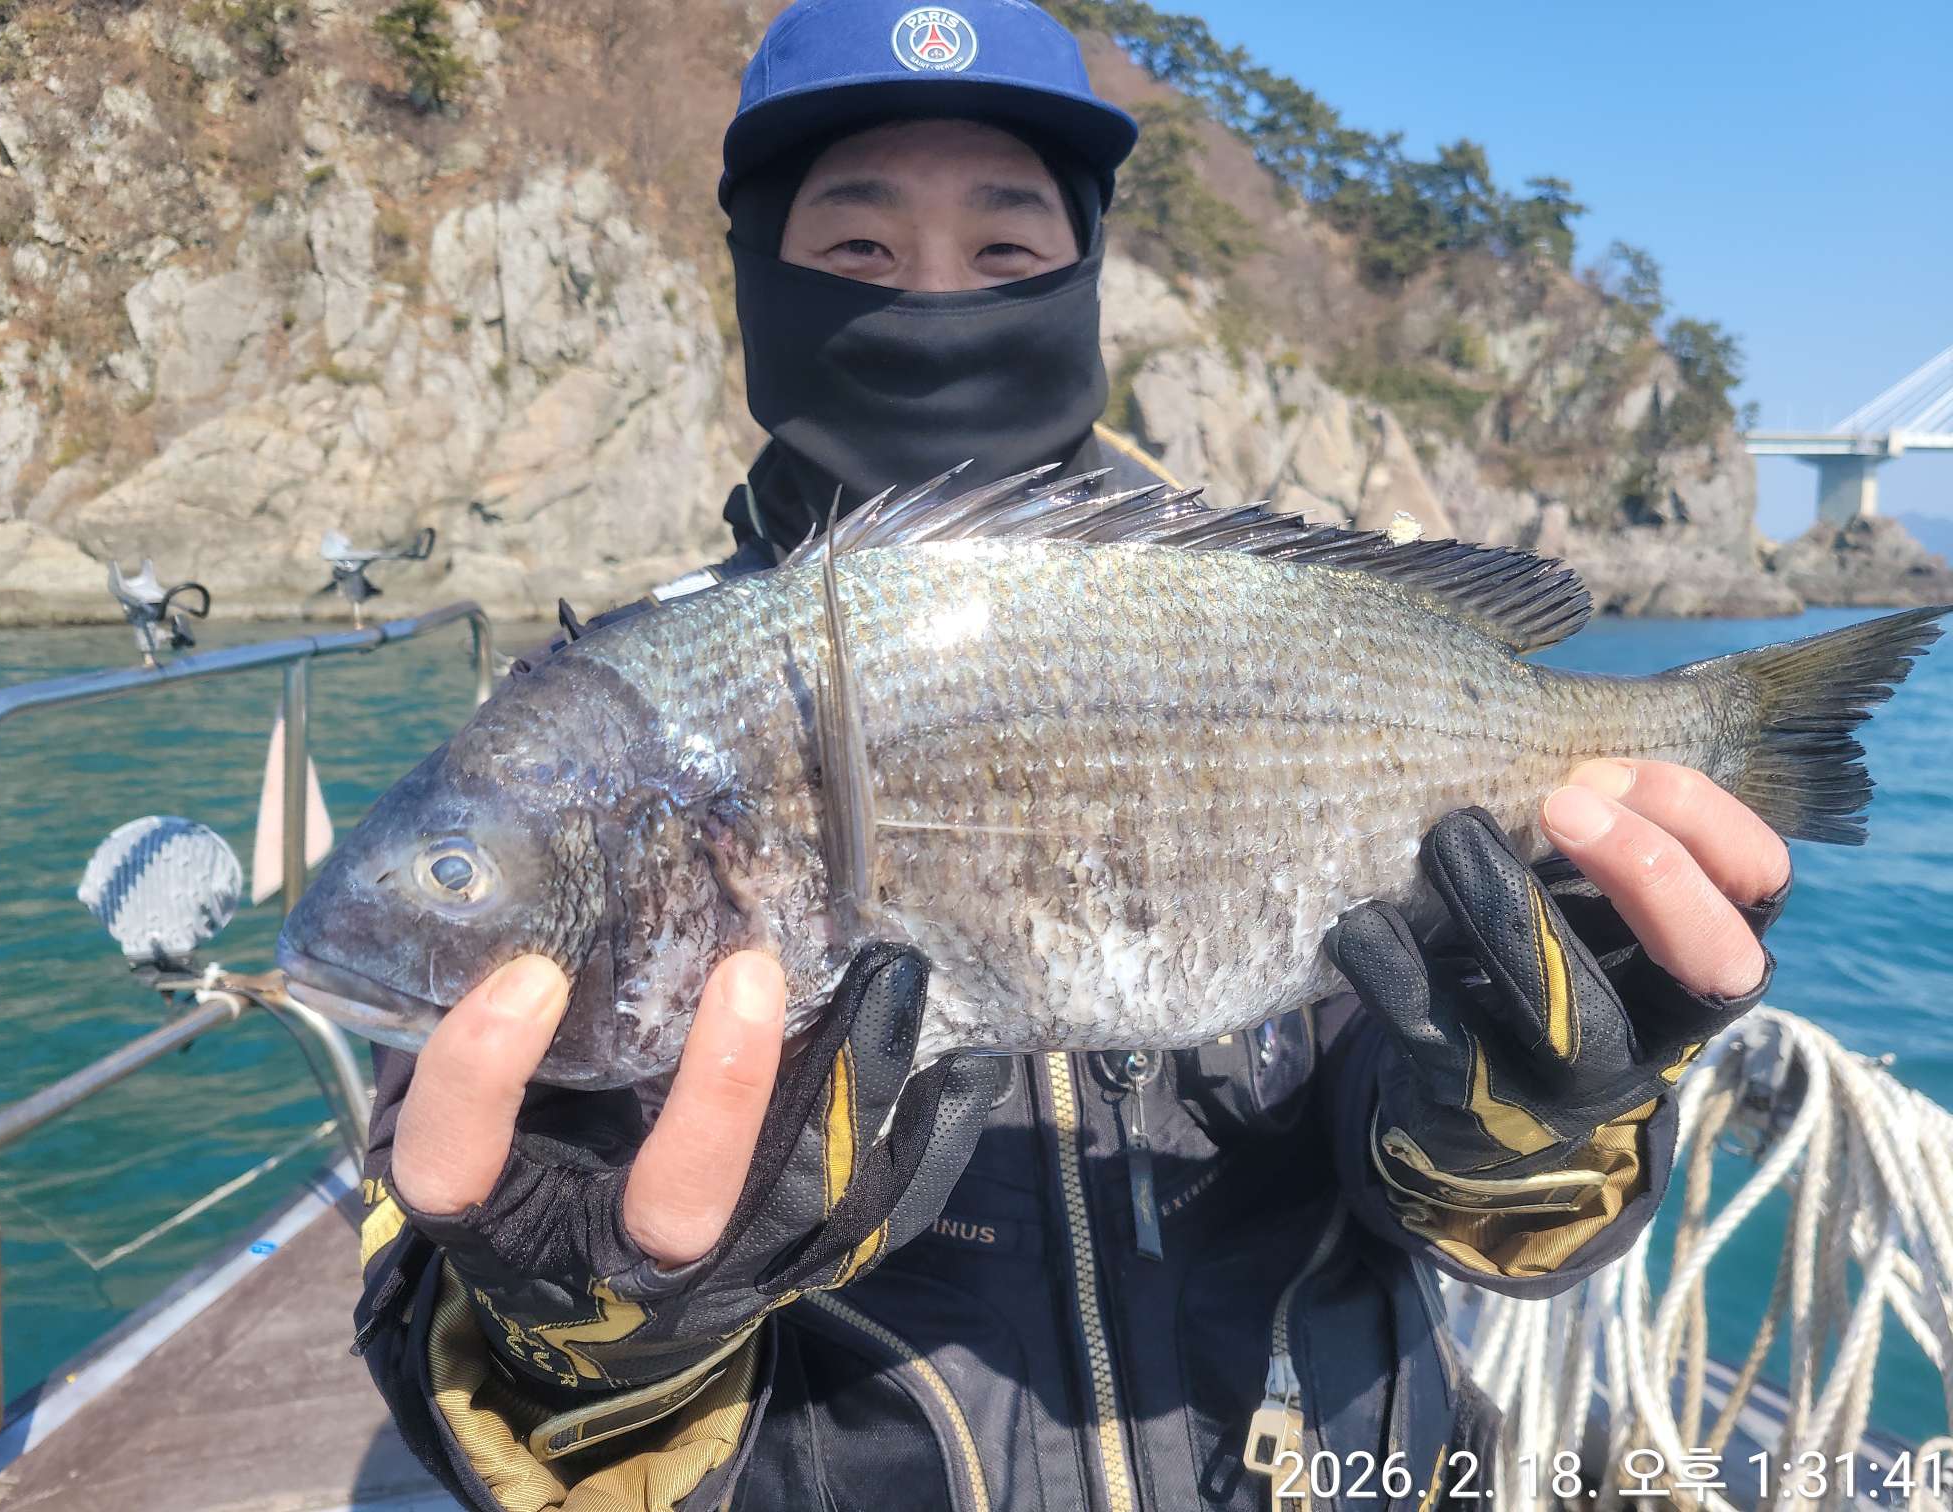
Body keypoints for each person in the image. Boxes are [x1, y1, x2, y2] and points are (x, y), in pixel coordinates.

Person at [352, 3, 1793, 1507]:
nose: (934, 293)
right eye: (858, 248)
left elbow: (1461, 1214)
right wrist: (585, 1332)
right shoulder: (591, 737)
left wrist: (1528, 1130)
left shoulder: (1255, 624)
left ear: (1085, 272)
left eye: (1005, 247)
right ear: (759, 276)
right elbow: (480, 1379)